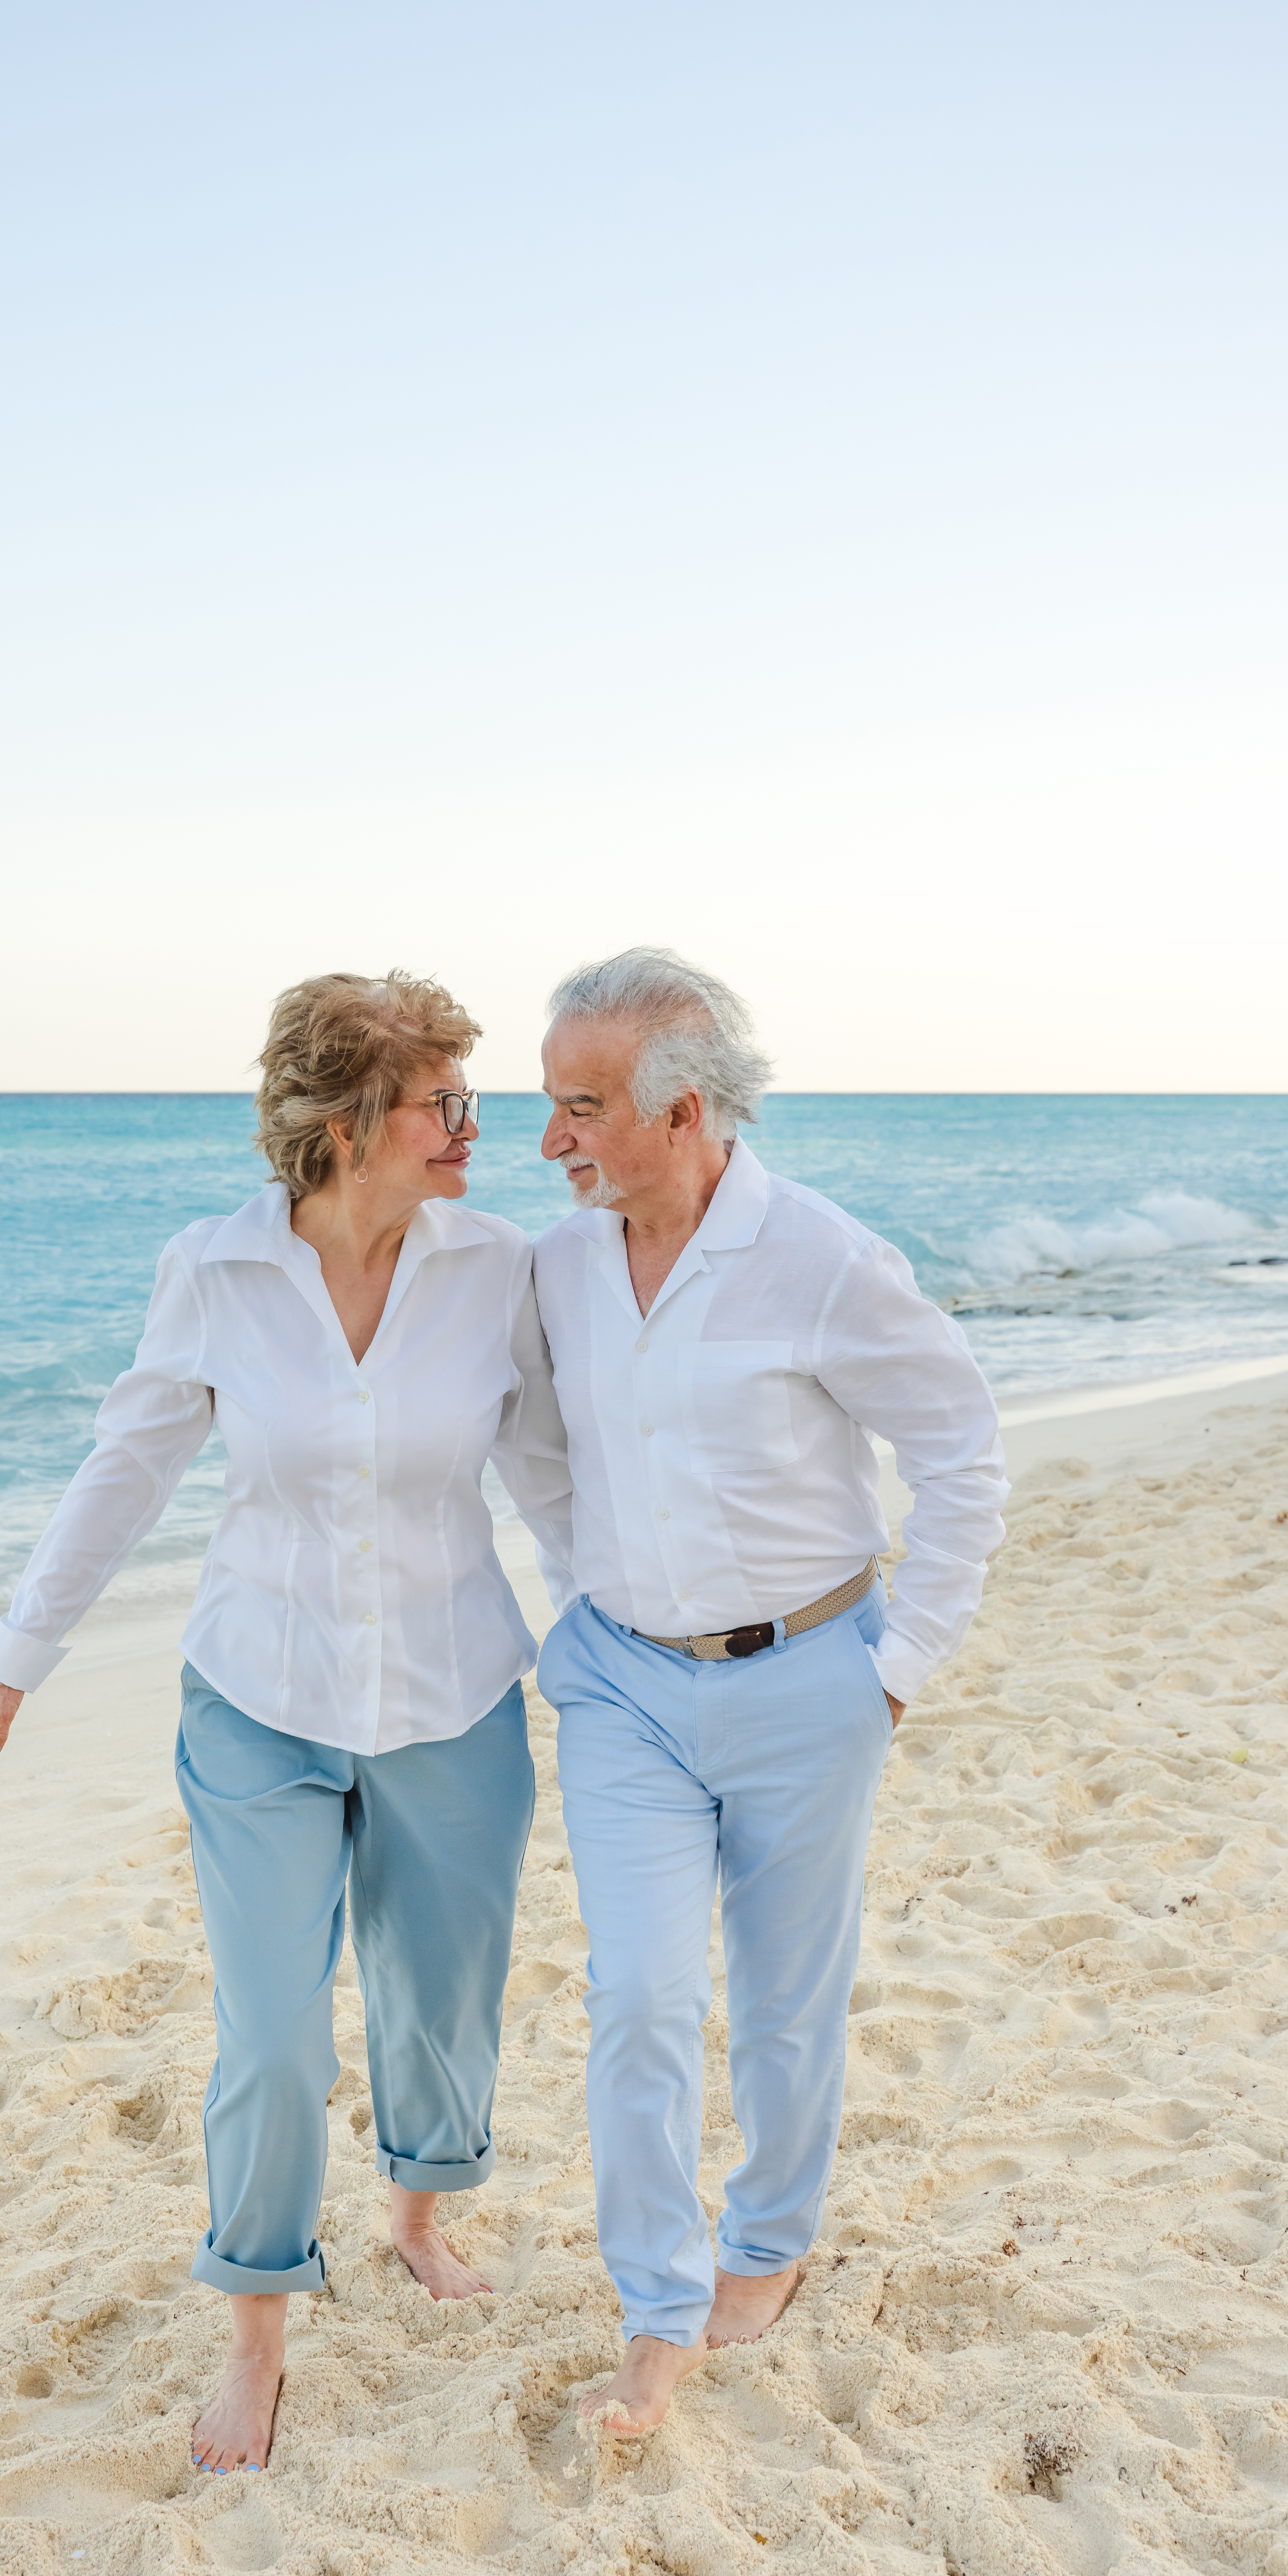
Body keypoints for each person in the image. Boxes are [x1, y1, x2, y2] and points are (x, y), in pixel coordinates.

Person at [0, 971, 571, 2475]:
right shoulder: (215, 1269)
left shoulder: (498, 1267)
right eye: (440, 1102)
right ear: (346, 1123)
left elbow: (550, 1473)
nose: (471, 1125)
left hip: (452, 1696)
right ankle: (256, 2331)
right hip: (258, 1700)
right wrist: (15, 1655)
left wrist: (623, 1646)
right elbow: (129, 1467)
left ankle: (416, 2219)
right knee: (276, 2038)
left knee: (442, 2000)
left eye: (468, 1096)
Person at [530, 948, 1007, 2438]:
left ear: (683, 1113)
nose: (550, 1139)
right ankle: (656, 2306)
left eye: (581, 1106)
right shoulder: (557, 1266)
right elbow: (535, 1446)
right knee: (642, 1995)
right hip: (621, 1687)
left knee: (786, 2002)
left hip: (808, 1678)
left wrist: (898, 1668)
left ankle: (772, 2240)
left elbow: (961, 1453)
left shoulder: (824, 1259)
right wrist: (583, 1581)